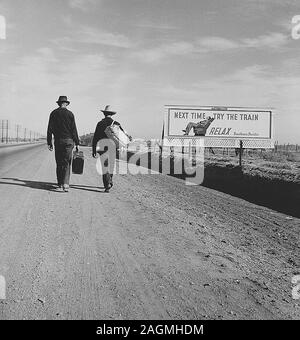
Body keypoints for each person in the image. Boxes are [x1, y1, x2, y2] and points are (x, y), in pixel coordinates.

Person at [92, 105, 131, 193]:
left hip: (102, 148)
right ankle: (109, 180)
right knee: (111, 166)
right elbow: (122, 137)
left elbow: (95, 137)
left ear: (104, 114)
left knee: (104, 166)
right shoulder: (116, 123)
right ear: (112, 114)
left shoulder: (100, 123)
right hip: (112, 147)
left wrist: (94, 150)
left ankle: (107, 185)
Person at [47, 96, 80, 192]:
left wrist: (49, 142)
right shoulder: (70, 114)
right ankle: (66, 184)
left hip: (58, 141)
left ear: (58, 103)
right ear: (66, 104)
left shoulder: (53, 113)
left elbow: (50, 129)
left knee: (59, 162)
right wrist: (77, 142)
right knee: (67, 162)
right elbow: (74, 129)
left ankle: (60, 183)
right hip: (69, 141)